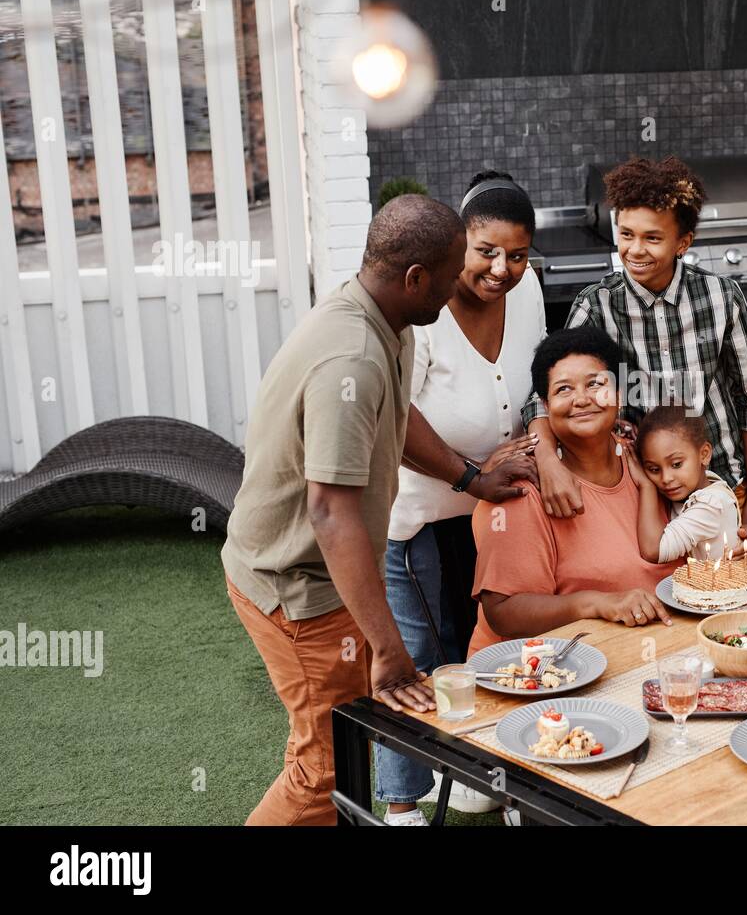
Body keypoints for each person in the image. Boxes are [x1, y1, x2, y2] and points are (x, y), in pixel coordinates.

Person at [221, 194, 464, 826]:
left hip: (325, 573)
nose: (458, 284)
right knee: (324, 769)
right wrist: (387, 647)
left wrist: (472, 477)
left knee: (340, 753)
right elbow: (329, 512)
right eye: (452, 271)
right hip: (296, 585)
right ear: (415, 278)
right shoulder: (350, 355)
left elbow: (396, 418)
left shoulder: (388, 321)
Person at [376, 171, 546, 825]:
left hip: (500, 515)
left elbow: (538, 376)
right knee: (425, 658)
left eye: (518, 254)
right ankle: (400, 807)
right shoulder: (425, 309)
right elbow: (398, 417)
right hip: (422, 517)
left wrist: (535, 440)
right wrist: (471, 474)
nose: (503, 269)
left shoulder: (527, 290)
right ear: (458, 243)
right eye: (486, 252)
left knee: (496, 650)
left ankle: (506, 783)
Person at [521, 156, 747, 553]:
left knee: (727, 591)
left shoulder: (722, 298)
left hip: (721, 483)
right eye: (626, 234)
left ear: (682, 243)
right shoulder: (598, 305)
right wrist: (548, 462)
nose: (635, 250)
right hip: (639, 494)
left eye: (652, 238)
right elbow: (543, 397)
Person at [466, 326, 679, 656]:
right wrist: (597, 603)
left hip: (654, 648)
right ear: (545, 405)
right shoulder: (521, 489)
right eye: (564, 389)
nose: (582, 399)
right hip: (546, 672)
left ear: (620, 394)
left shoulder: (645, 458)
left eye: (596, 384)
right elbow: (502, 613)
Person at [622, 403, 742, 564]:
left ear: (704, 454)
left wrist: (647, 486)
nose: (666, 478)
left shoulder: (711, 505)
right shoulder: (698, 486)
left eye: (676, 464)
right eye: (654, 469)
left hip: (726, 587)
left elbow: (653, 551)